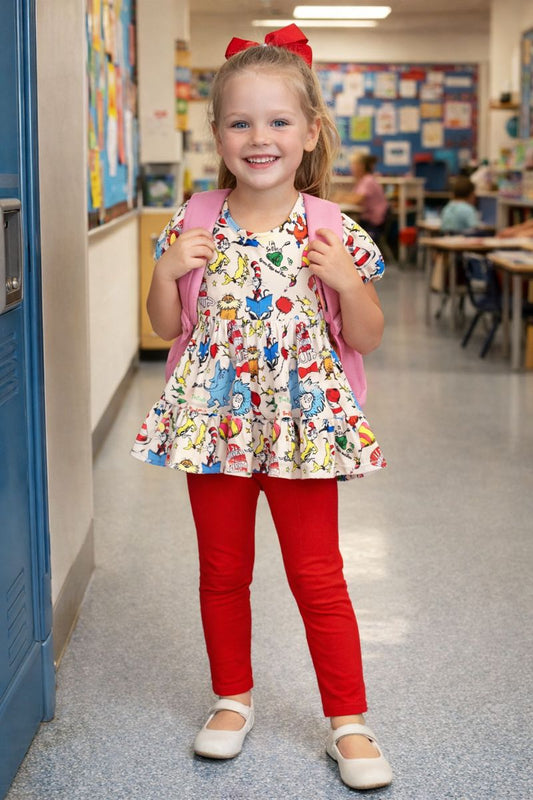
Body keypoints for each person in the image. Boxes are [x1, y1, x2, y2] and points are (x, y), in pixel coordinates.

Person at [131, 24, 392, 792]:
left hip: (301, 428)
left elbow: (367, 337)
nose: (259, 137)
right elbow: (166, 327)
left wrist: (347, 282)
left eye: (278, 121)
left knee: (318, 575)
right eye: (240, 122)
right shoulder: (197, 216)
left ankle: (347, 720)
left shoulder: (331, 227)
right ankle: (231, 699)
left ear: (310, 131)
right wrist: (164, 270)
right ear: (216, 134)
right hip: (212, 425)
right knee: (221, 570)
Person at [339, 153, 389, 241]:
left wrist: (339, 198)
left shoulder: (368, 180)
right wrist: (341, 197)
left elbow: (356, 200)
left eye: (353, 165)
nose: (351, 168)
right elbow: (354, 196)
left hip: (373, 225)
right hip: (367, 222)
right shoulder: (363, 180)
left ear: (360, 166)